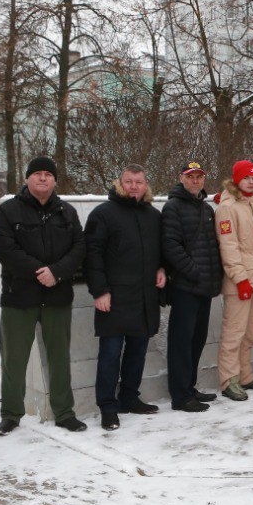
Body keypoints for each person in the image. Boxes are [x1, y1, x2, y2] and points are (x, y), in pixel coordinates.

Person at [0, 156, 87, 435]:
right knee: (13, 358)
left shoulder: (66, 212)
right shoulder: (9, 211)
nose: (43, 178)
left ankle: (64, 412)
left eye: (48, 174)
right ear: (27, 179)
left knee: (59, 357)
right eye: (37, 174)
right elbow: (5, 249)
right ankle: (10, 414)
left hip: (57, 297)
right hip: (19, 298)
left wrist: (56, 272)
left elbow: (79, 248)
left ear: (55, 180)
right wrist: (39, 271)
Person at [84, 164, 166, 431]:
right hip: (114, 297)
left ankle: (129, 397)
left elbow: (161, 251)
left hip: (143, 296)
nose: (134, 186)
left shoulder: (153, 216)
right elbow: (92, 256)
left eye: (139, 182)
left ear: (146, 185)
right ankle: (108, 407)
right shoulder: (103, 214)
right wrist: (100, 291)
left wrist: (162, 269)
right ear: (119, 183)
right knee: (110, 354)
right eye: (128, 181)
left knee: (138, 351)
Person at [160, 161, 224, 413]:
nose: (195, 180)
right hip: (187, 286)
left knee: (197, 339)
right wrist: (193, 272)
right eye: (191, 176)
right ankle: (180, 395)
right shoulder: (173, 207)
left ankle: (189, 386)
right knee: (181, 341)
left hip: (205, 286)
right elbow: (171, 247)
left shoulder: (206, 208)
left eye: (199, 176)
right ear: (181, 178)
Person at [215, 159, 253, 401]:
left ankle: (245, 375)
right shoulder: (227, 207)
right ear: (236, 179)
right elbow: (229, 246)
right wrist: (240, 278)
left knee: (249, 331)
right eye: (246, 177)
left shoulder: (252, 204)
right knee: (234, 333)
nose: (250, 181)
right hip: (240, 282)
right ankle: (229, 380)